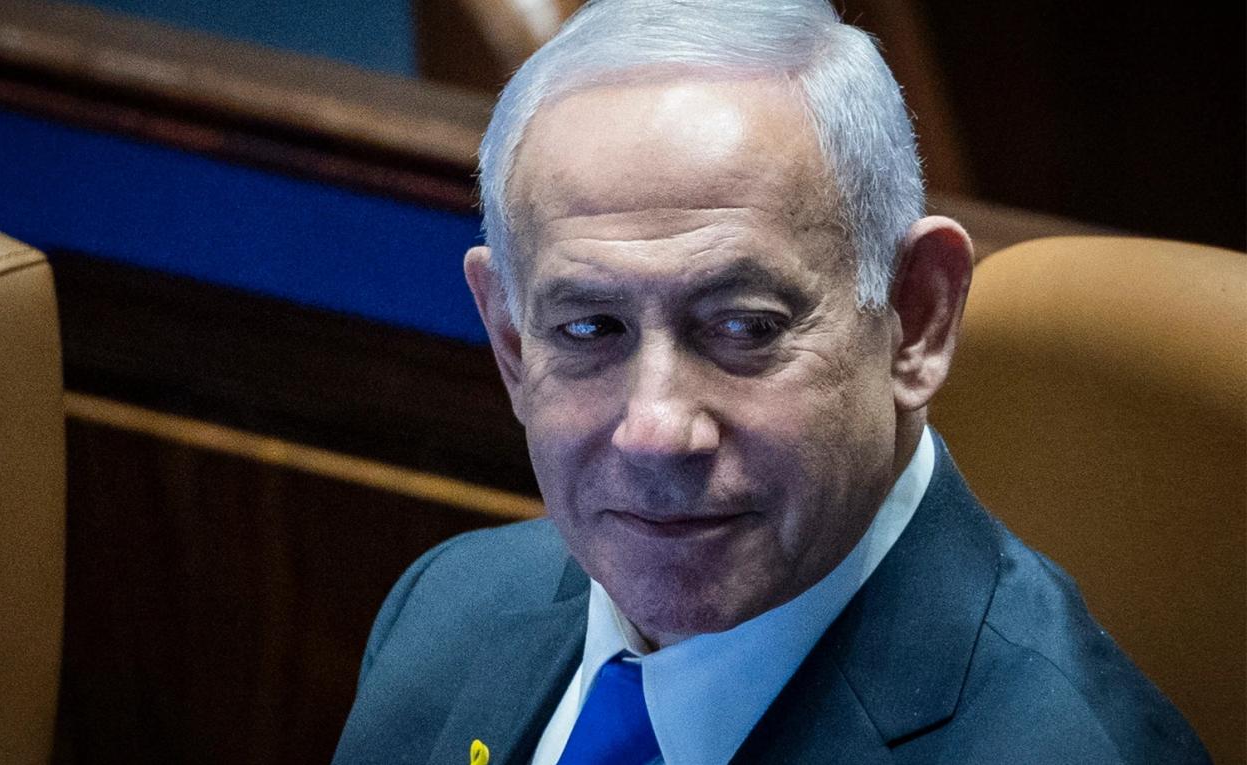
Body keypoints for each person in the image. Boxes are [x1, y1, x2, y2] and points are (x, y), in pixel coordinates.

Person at [333, 1, 1207, 763]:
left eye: (744, 327)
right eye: (592, 329)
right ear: (512, 342)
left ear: (916, 316)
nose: (657, 429)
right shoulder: (442, 612)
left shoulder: (1066, 746)